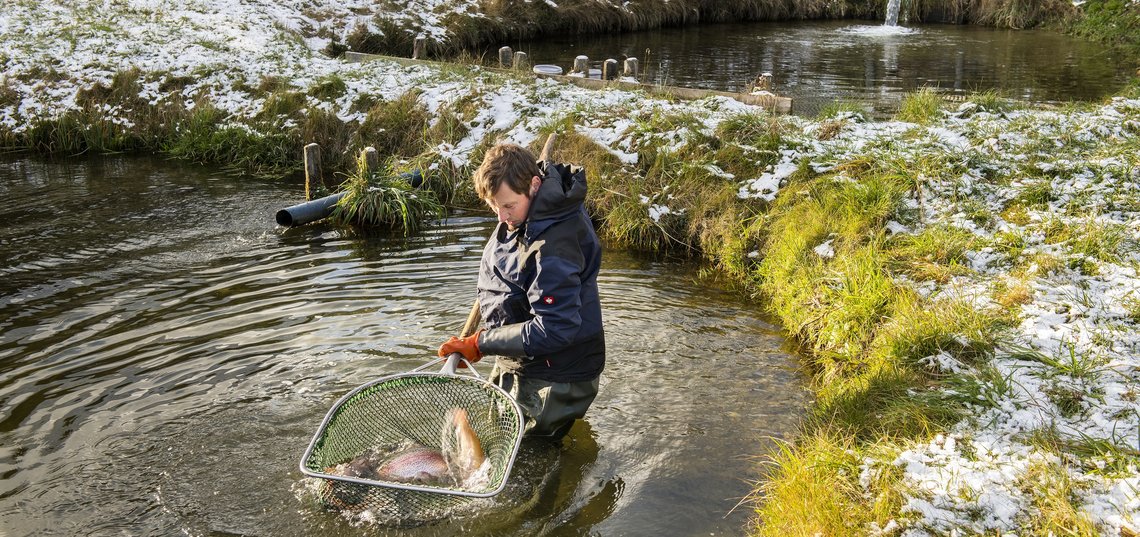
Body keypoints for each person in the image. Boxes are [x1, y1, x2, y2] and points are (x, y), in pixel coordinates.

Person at [438, 142, 605, 440]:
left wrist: (481, 343)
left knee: (526, 461)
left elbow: (554, 329)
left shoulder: (554, 246)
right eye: (493, 206)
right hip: (521, 357)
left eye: (508, 206)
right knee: (493, 437)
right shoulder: (524, 212)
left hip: (555, 374)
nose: (501, 217)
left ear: (535, 185)